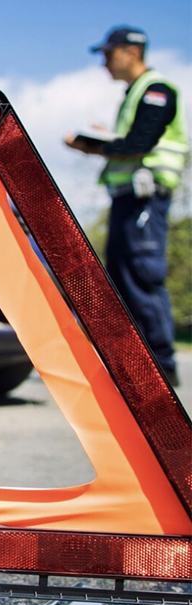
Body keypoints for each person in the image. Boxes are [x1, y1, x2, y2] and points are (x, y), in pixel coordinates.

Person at [66, 25, 189, 386]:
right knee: (122, 278)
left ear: (131, 52)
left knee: (142, 276)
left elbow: (140, 143)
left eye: (107, 54)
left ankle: (161, 368)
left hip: (145, 198)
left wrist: (91, 145)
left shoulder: (156, 90)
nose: (104, 63)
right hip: (127, 200)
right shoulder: (135, 93)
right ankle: (136, 366)